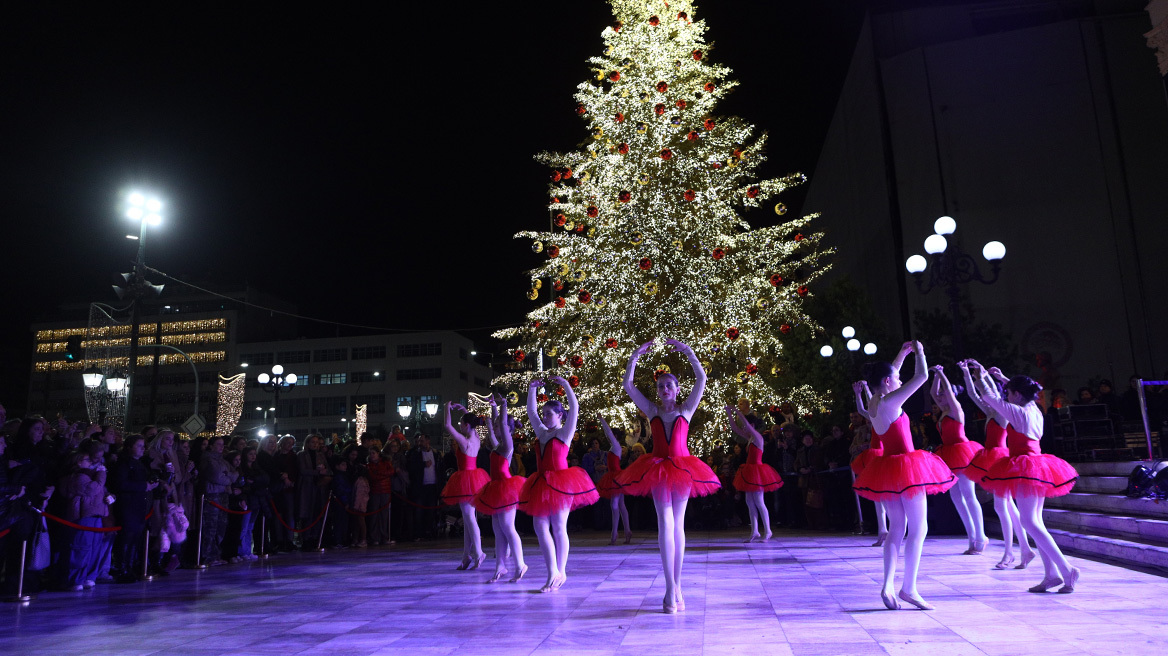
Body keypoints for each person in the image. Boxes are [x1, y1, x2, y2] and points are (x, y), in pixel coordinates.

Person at [615, 339, 720, 613]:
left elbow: (702, 378)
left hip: (683, 469)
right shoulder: (652, 410)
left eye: (668, 386)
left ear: (677, 389)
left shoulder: (687, 409)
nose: (664, 390)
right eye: (660, 386)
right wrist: (634, 356)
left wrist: (688, 351)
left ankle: (677, 586)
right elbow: (628, 385)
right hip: (658, 469)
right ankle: (670, 588)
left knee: (678, 525)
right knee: (665, 523)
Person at [852, 341, 955, 611]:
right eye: (896, 378)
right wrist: (920, 352)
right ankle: (909, 588)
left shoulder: (874, 402)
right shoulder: (890, 401)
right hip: (908, 469)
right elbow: (921, 376)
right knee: (919, 528)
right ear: (887, 382)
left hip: (887, 470)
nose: (900, 380)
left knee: (896, 528)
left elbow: (890, 374)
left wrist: (901, 353)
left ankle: (887, 585)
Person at [977, 368, 1081, 593]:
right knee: (1035, 522)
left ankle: (1067, 569)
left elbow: (988, 397)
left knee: (1029, 522)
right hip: (1038, 467)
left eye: (1009, 393)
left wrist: (981, 375)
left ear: (1016, 395)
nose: (1007, 396)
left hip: (1026, 468)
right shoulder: (1034, 408)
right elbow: (1024, 392)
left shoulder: (1017, 412)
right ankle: (1051, 575)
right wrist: (1003, 378)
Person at [519, 375, 599, 592]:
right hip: (541, 484)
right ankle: (552, 571)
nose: (544, 417)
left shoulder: (565, 432)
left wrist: (565, 385)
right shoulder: (541, 432)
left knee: (559, 527)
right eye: (544, 413)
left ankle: (560, 571)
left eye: (549, 414)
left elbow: (575, 407)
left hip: (562, 483)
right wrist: (532, 389)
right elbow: (531, 412)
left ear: (560, 415)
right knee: (539, 526)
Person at [962, 361, 1036, 570]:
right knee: (1008, 508)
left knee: (1002, 507)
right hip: (993, 462)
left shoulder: (1004, 413)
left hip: (1001, 461)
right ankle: (1024, 550)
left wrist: (983, 375)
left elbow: (989, 392)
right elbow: (974, 394)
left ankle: (1010, 553)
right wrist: (968, 374)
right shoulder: (990, 412)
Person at [929, 365, 987, 555]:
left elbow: (945, 390)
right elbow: (933, 392)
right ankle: (971, 538)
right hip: (948, 455)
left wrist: (941, 373)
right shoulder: (944, 411)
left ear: (951, 395)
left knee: (969, 495)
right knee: (956, 498)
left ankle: (981, 537)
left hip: (962, 454)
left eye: (943, 394)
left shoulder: (956, 410)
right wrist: (935, 376)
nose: (940, 397)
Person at [473, 394, 528, 583]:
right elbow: (494, 428)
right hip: (496, 488)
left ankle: (520, 564)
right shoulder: (497, 446)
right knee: (497, 530)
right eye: (495, 426)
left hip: (506, 489)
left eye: (499, 426)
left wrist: (504, 404)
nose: (495, 427)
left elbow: (502, 424)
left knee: (508, 527)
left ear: (508, 430)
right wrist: (494, 406)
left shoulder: (508, 446)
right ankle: (500, 567)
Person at [440, 401, 490, 570]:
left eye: (461, 424)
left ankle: (479, 552)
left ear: (466, 425)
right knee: (469, 519)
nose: (459, 426)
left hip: (465, 480)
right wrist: (465, 411)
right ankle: (466, 556)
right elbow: (472, 424)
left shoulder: (464, 441)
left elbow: (447, 425)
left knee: (469, 518)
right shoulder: (475, 438)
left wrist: (446, 407)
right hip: (475, 478)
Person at [725, 406, 782, 542]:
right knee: (749, 502)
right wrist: (729, 413)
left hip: (757, 472)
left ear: (752, 425)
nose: (744, 427)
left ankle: (768, 531)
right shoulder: (750, 438)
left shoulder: (757, 437)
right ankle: (754, 531)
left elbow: (745, 424)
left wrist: (737, 411)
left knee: (759, 502)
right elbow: (735, 428)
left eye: (747, 425)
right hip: (750, 471)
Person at [850, 380, 888, 545]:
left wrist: (865, 388)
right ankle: (883, 531)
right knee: (878, 498)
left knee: (885, 498)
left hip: (882, 457)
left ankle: (889, 530)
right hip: (876, 458)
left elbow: (871, 403)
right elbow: (861, 410)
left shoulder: (884, 417)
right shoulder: (874, 418)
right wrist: (859, 393)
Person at [596, 415, 632, 545]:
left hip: (616, 477)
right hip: (615, 476)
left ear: (615, 436)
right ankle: (627, 531)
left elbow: (608, 432)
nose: (607, 437)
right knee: (621, 505)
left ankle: (614, 534)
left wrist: (601, 420)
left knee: (614, 505)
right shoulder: (614, 447)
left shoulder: (616, 445)